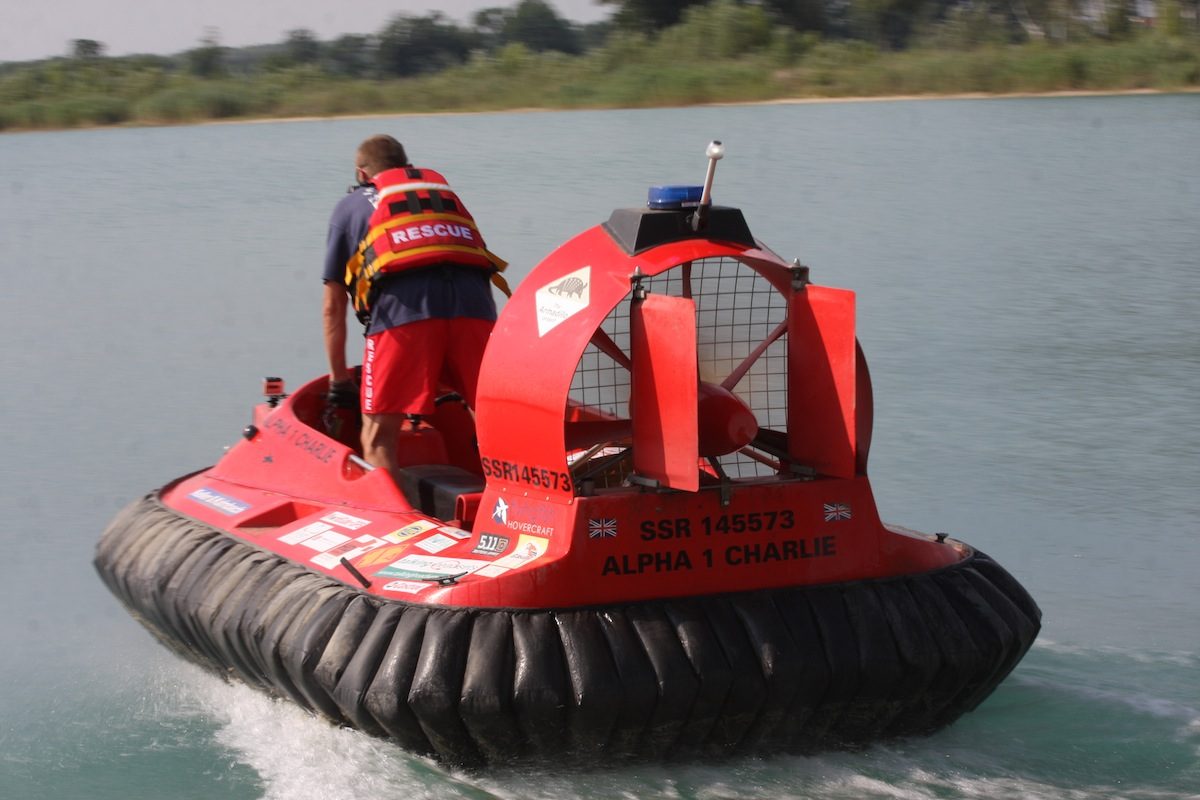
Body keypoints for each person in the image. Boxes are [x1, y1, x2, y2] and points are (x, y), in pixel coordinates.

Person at [322, 134, 504, 482]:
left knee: (377, 436)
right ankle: (511, 505)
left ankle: (396, 515)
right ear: (407, 167)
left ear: (362, 174)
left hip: (403, 315)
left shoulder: (349, 207)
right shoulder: (441, 198)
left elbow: (333, 307)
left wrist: (338, 380)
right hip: (476, 309)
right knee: (493, 421)